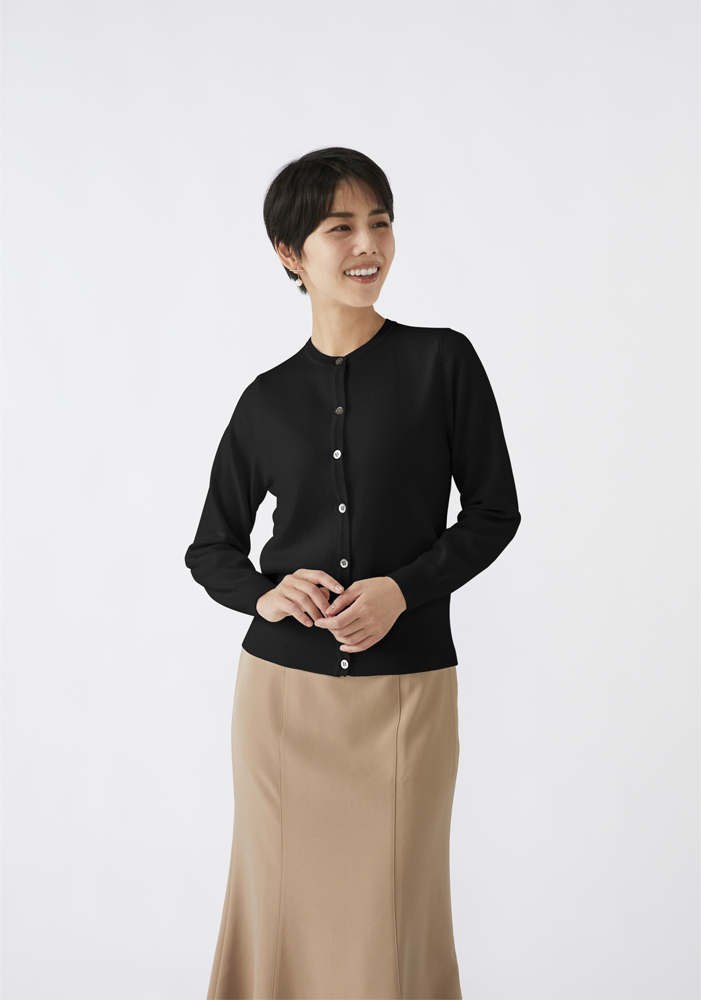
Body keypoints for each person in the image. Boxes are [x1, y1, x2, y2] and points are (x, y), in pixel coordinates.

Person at [184, 146, 522, 1000]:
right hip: (281, 702)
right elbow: (211, 547)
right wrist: (265, 593)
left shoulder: (442, 363)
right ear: (290, 253)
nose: (367, 244)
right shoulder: (265, 400)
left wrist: (403, 589)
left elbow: (493, 512)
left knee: (392, 914)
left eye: (380, 222)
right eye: (340, 228)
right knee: (279, 906)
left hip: (404, 697)